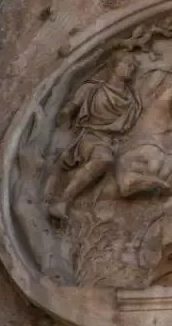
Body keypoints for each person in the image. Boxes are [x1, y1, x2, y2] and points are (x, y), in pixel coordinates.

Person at [49, 53, 143, 221]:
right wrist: (65, 118)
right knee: (104, 159)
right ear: (115, 65)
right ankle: (63, 201)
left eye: (134, 67)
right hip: (92, 137)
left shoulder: (133, 100)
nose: (132, 69)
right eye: (128, 64)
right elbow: (68, 110)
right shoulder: (92, 89)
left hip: (117, 142)